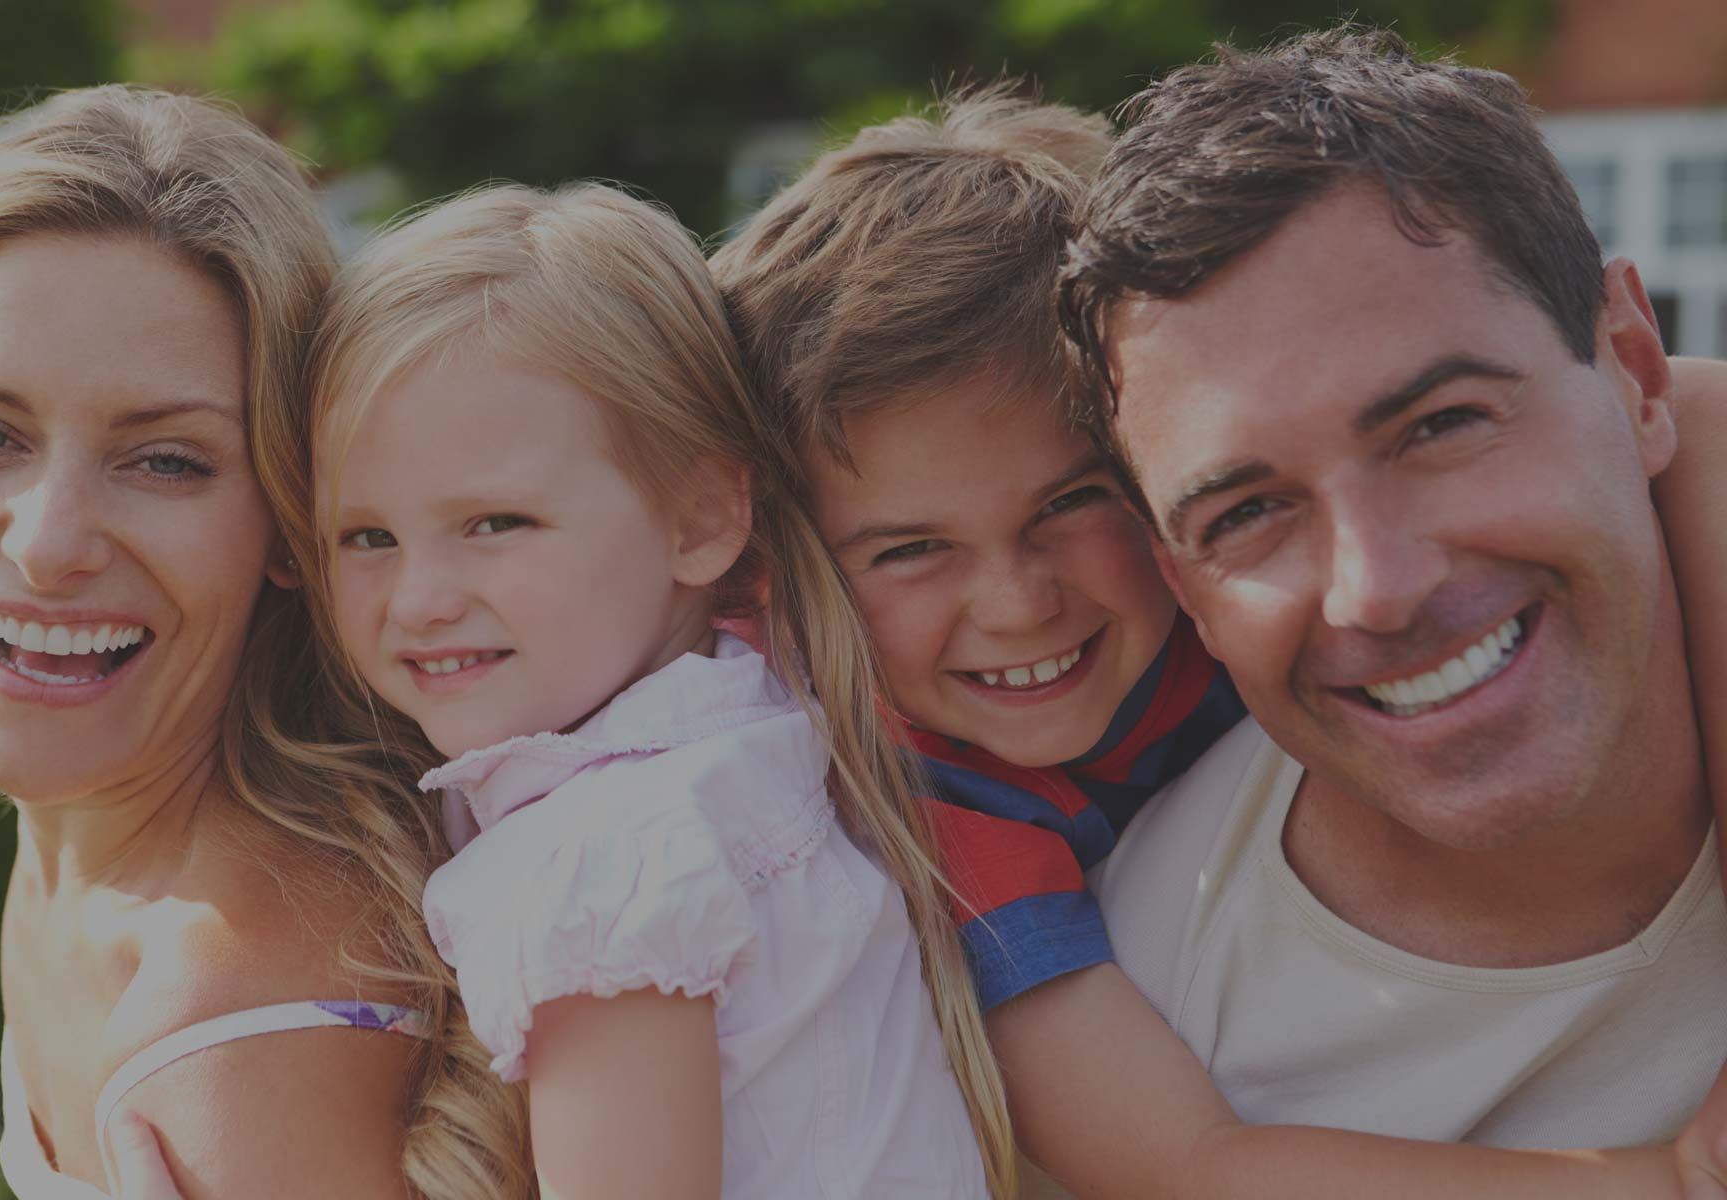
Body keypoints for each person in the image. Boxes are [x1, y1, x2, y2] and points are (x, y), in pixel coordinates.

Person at [714, 84, 1727, 1197]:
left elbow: (1693, 410)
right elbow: (1187, 1167)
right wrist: (1675, 1179)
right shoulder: (928, 812)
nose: (1016, 604)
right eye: (909, 550)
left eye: (1073, 503)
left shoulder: (1211, 581)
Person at [1051, 23, 1727, 1194]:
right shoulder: (1150, 1026)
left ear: (1635, 367)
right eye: (1248, 513)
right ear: (1184, 587)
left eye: (1442, 424)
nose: (1377, 585)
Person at [0, 87, 528, 1199]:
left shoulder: (246, 1029)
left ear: (293, 521)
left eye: (166, 461)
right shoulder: (88, 850)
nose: (49, 544)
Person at [298, 181, 1014, 1199]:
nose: (418, 600)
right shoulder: (750, 730)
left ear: (702, 521)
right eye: (367, 536)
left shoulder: (606, 860)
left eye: (495, 523)